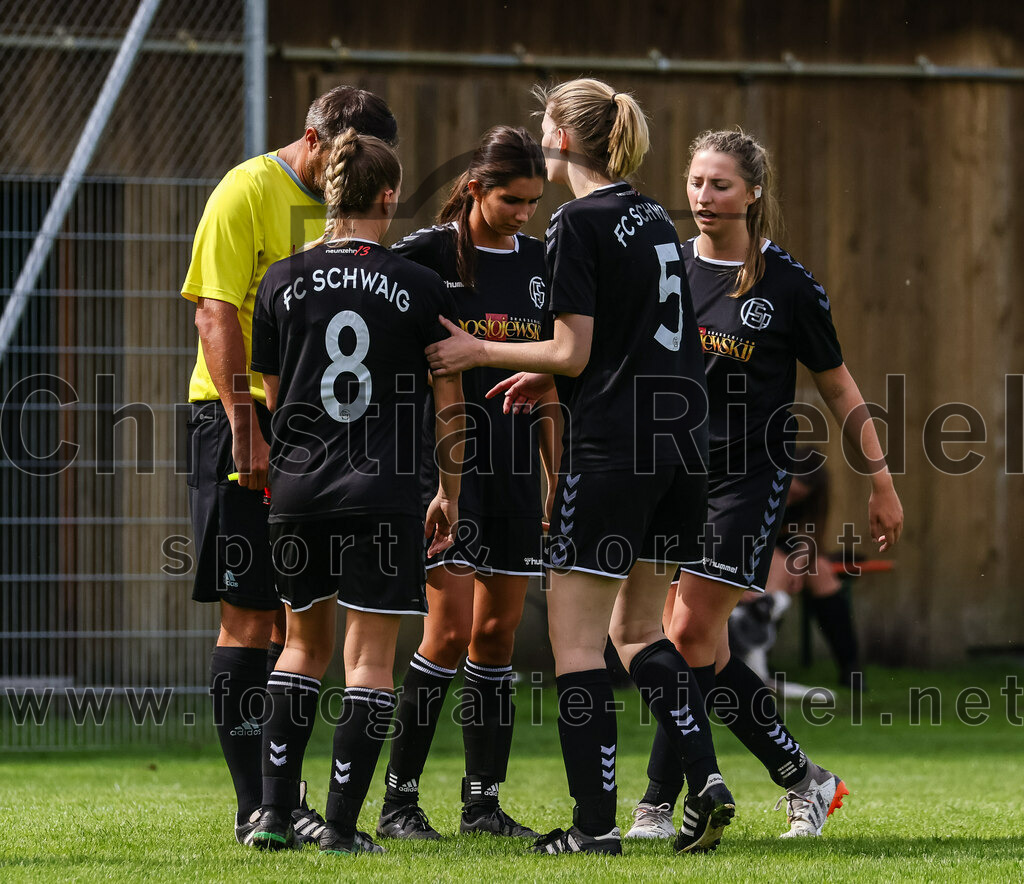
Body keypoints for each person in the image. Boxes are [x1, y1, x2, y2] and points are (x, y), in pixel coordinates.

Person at [427, 78, 735, 856]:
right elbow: (631, 338)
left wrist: (481, 349)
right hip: (680, 449)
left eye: (545, 123)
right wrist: (558, 373)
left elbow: (574, 346)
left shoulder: (575, 221)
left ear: (563, 138)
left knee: (577, 646)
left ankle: (595, 829)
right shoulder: (653, 219)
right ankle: (706, 776)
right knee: (639, 628)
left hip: (613, 452)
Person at [625, 129, 903, 841]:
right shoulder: (666, 271)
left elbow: (840, 389)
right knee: (699, 648)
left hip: (748, 480)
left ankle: (659, 802)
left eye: (720, 185)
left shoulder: (786, 284)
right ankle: (804, 778)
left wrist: (881, 481)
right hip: (672, 477)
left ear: (753, 192)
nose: (703, 198)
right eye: (695, 183)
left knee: (686, 634)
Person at [181, 86, 397, 846]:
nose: (348, 171)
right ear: (312, 139)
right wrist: (247, 426)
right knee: (249, 615)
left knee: (293, 616)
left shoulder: (346, 211)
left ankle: (288, 799)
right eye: (341, 155)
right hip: (239, 419)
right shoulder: (246, 188)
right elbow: (214, 309)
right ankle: (255, 809)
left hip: (317, 434)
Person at [246, 129, 464, 854]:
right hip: (385, 488)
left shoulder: (280, 280)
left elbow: (275, 400)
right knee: (368, 660)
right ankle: (341, 826)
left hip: (300, 490)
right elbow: (450, 399)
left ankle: (273, 816)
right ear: (390, 195)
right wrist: (450, 492)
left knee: (300, 649)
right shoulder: (421, 286)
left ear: (327, 190)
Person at [376, 126, 556, 841]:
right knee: (446, 632)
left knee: (496, 634)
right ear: (476, 187)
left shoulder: (544, 266)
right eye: (513, 199)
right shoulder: (422, 255)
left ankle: (482, 806)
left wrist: (555, 477)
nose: (525, 213)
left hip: (515, 469)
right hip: (442, 470)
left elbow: (551, 382)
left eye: (535, 201)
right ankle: (398, 804)